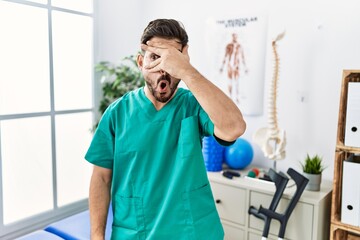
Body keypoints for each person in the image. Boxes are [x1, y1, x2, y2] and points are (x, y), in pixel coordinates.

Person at [85, 19, 246, 240]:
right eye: (155, 58)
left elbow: (234, 128)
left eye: (172, 60)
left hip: (192, 232)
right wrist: (96, 236)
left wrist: (188, 72)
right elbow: (101, 178)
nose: (164, 69)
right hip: (134, 233)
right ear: (140, 62)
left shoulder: (194, 105)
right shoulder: (117, 114)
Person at [219, 33, 248, 104]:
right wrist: (222, 67)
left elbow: (242, 57)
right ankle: (231, 97)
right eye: (233, 37)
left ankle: (237, 97)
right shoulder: (229, 46)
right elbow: (225, 56)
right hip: (230, 65)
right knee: (230, 81)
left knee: (237, 81)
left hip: (236, 65)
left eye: (235, 37)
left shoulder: (239, 46)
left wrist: (245, 67)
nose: (234, 38)